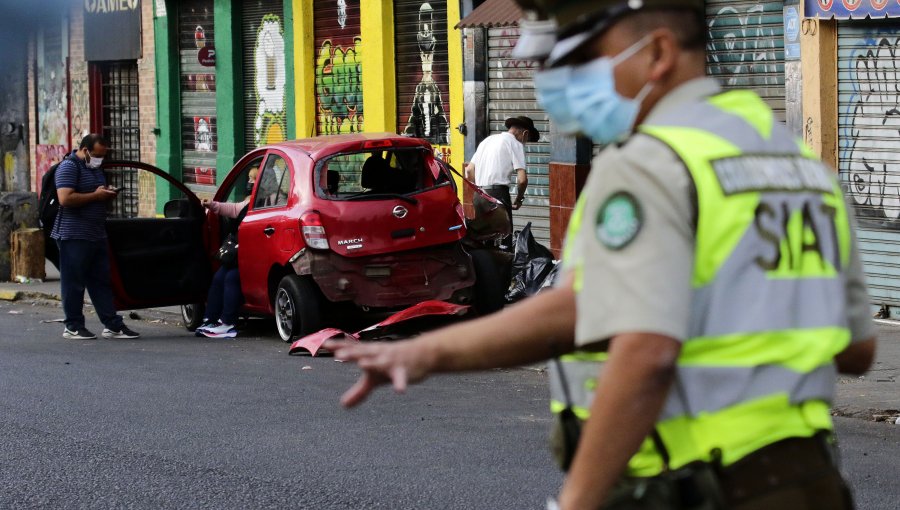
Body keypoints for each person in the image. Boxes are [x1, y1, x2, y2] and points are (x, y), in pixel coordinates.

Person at [326, 1, 878, 509]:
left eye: (575, 58)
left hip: (694, 485)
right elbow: (854, 348)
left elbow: (644, 351)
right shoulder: (800, 166)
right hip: (809, 482)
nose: (549, 83)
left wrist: (577, 502)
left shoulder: (650, 163)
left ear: (658, 52)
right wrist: (429, 353)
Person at [53, 133, 139, 340]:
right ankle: (73, 325)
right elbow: (65, 198)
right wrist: (96, 196)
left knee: (100, 281)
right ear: (84, 150)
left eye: (103, 155)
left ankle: (112, 324)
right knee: (74, 282)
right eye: (97, 154)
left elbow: (95, 194)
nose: (100, 159)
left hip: (96, 233)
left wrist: (106, 194)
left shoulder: (95, 168)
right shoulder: (69, 167)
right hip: (73, 234)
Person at [196, 168, 258, 339]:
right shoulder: (248, 202)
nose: (250, 182)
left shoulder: (271, 201)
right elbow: (232, 209)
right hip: (240, 254)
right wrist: (212, 205)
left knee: (232, 278)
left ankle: (228, 323)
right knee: (219, 277)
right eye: (249, 178)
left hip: (255, 255)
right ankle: (211, 319)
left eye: (253, 179)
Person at [465, 116, 538, 249]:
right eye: (527, 139)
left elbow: (469, 170)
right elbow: (522, 180)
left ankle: (485, 269)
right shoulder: (515, 143)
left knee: (485, 240)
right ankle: (503, 269)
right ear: (525, 133)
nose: (525, 142)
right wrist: (519, 199)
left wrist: (483, 187)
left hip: (479, 196)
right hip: (498, 196)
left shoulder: (487, 141)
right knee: (504, 242)